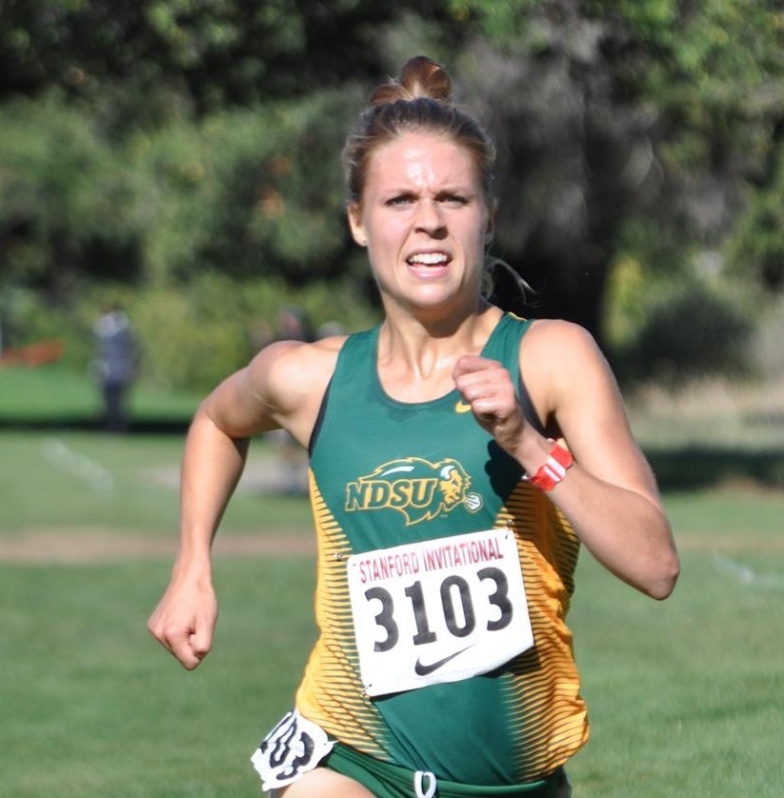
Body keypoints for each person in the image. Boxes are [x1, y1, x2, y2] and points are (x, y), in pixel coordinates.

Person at [148, 56, 679, 798]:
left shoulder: (552, 359)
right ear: (359, 221)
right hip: (353, 758)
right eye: (399, 199)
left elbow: (656, 566)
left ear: (486, 215)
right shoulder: (309, 378)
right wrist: (192, 567)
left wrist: (530, 446)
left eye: (452, 198)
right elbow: (215, 420)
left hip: (513, 777)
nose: (428, 220)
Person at [92, 304, 139, 433]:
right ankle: (112, 426)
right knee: (110, 403)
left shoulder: (119, 332)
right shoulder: (118, 331)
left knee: (117, 403)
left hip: (117, 372)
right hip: (111, 372)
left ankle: (117, 427)